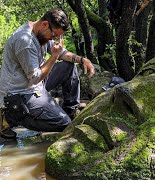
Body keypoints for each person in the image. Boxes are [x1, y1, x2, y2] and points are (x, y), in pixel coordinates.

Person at [0, 8, 95, 139]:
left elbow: (62, 53)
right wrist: (53, 57)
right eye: (54, 36)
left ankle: (70, 111)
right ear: (45, 24)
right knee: (64, 124)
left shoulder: (42, 32)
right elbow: (35, 77)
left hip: (35, 84)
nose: (54, 39)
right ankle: (9, 117)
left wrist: (82, 60)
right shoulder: (24, 41)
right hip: (19, 94)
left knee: (69, 66)